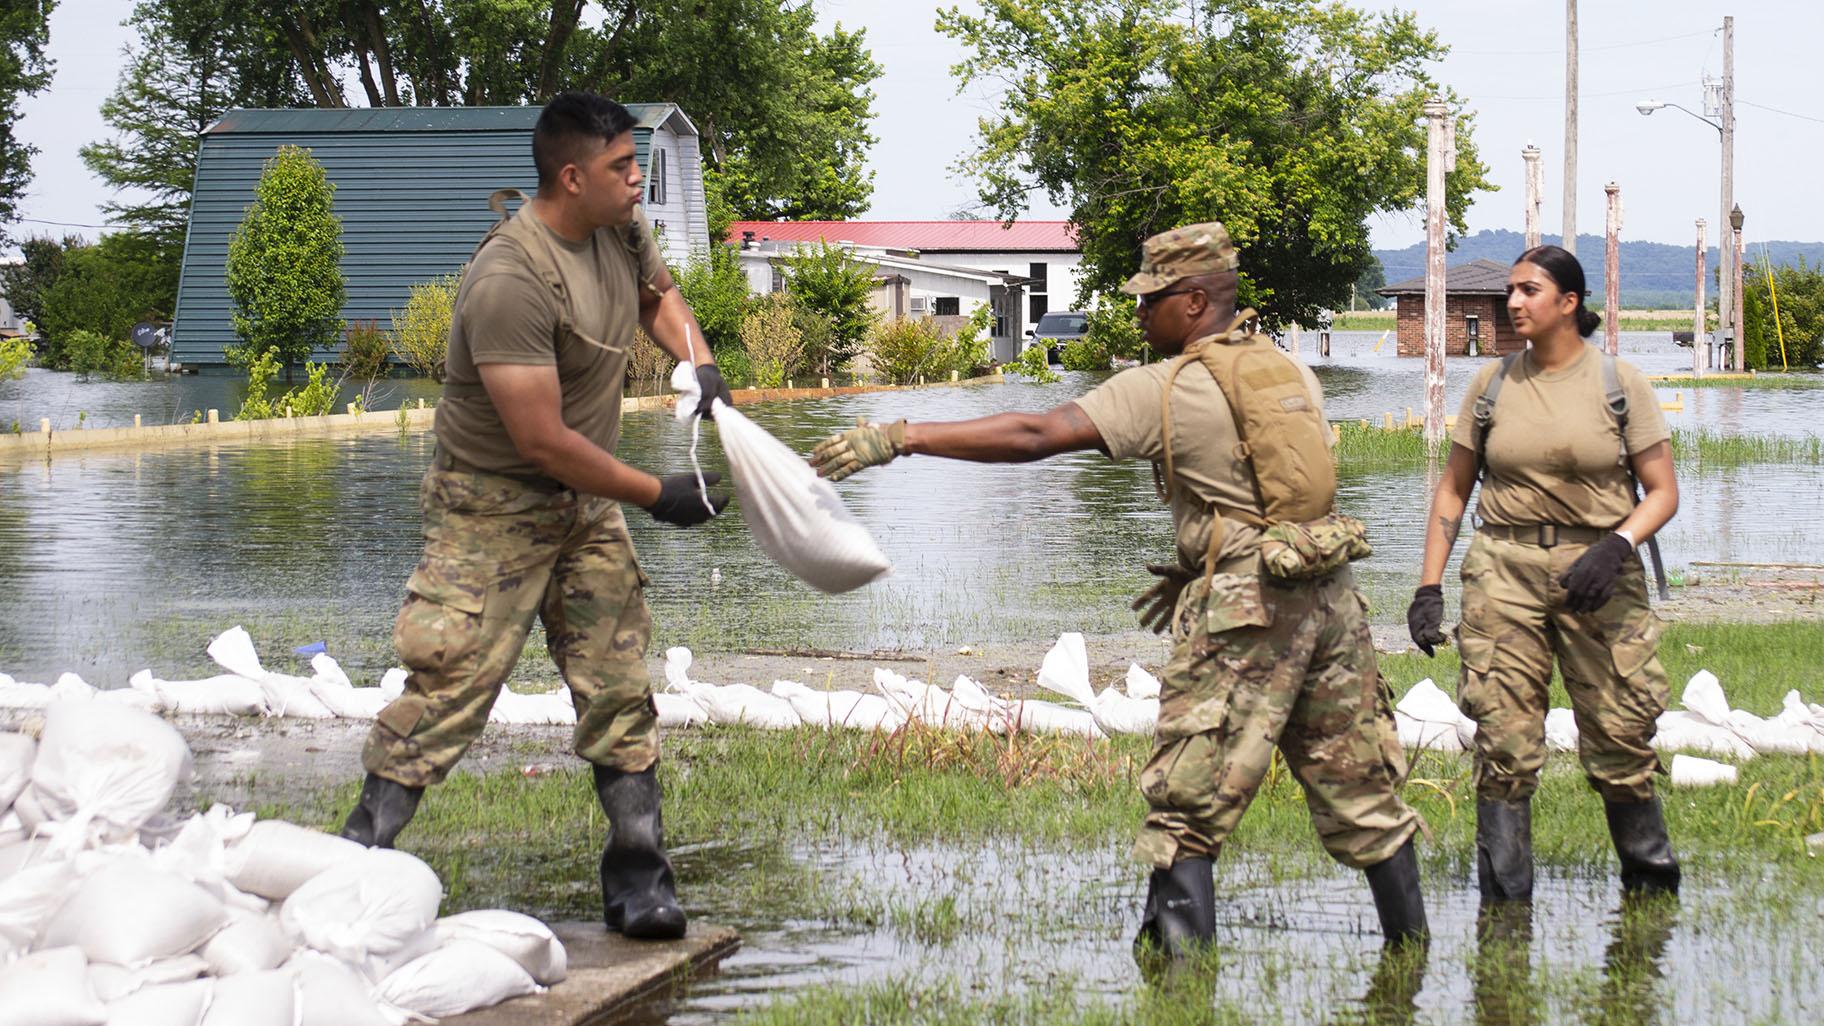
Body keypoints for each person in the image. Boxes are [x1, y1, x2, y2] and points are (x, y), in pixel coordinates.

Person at [812, 224, 1426, 956]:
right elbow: (1270, 495)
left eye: (1151, 301)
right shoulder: (1286, 372)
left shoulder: (1168, 385)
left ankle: (1177, 987)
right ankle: (1411, 963)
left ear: (1194, 300)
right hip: (1330, 600)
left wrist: (902, 438)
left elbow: (1038, 433)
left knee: (1186, 808)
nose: (1139, 315)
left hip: (1247, 610)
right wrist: (1201, 558)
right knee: (1364, 794)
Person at [340, 92, 734, 942]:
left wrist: (699, 363)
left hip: (585, 504)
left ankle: (640, 882)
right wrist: (654, 493)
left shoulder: (620, 229)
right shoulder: (510, 279)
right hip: (493, 504)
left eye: (638, 164)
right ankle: (348, 873)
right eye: (624, 169)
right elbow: (541, 440)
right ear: (570, 176)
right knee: (448, 688)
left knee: (619, 685)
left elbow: (658, 297)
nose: (639, 181)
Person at [1406, 244, 1681, 904]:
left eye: (1530, 290)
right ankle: (1504, 908)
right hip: (1504, 570)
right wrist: (1428, 586)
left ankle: (1649, 891)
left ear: (1568, 303)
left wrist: (1618, 545)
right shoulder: (1493, 384)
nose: (1514, 301)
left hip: (1600, 573)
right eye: (1511, 290)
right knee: (1503, 740)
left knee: (1620, 733)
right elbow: (1452, 491)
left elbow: (1663, 492)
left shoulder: (1621, 384)